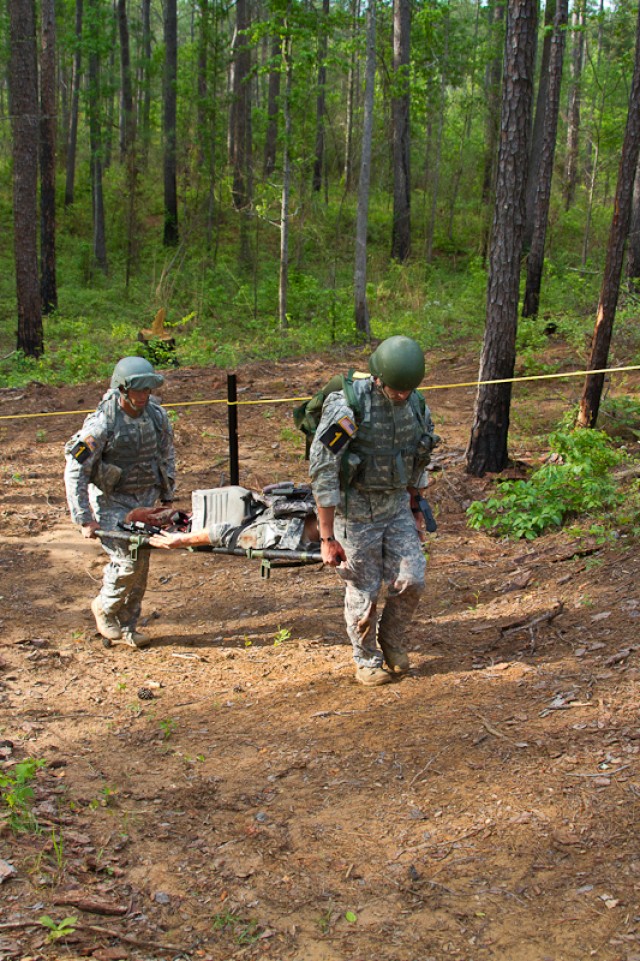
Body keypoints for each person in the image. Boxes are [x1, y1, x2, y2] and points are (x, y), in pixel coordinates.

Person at [309, 336, 439, 687]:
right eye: (395, 389)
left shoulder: (415, 403)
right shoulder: (351, 409)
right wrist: (327, 537)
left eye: (407, 390)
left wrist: (415, 506)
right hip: (356, 511)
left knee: (412, 579)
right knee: (363, 590)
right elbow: (324, 469)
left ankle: (392, 642)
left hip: (396, 504)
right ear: (379, 377)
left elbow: (420, 455)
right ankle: (365, 659)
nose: (401, 396)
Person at [64, 356, 176, 649]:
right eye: (137, 391)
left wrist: (167, 497)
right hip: (112, 502)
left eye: (147, 390)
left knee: (140, 568)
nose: (143, 397)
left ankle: (128, 625)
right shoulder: (101, 423)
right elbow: (76, 468)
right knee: (127, 563)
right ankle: (104, 607)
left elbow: (166, 455)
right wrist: (84, 518)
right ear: (123, 389)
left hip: (145, 500)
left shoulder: (156, 416)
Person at [146, 484, 319, 552]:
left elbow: (226, 534)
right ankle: (187, 524)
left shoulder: (277, 535)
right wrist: (182, 540)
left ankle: (186, 527)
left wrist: (182, 540)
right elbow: (225, 534)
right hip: (272, 516)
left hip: (277, 524)